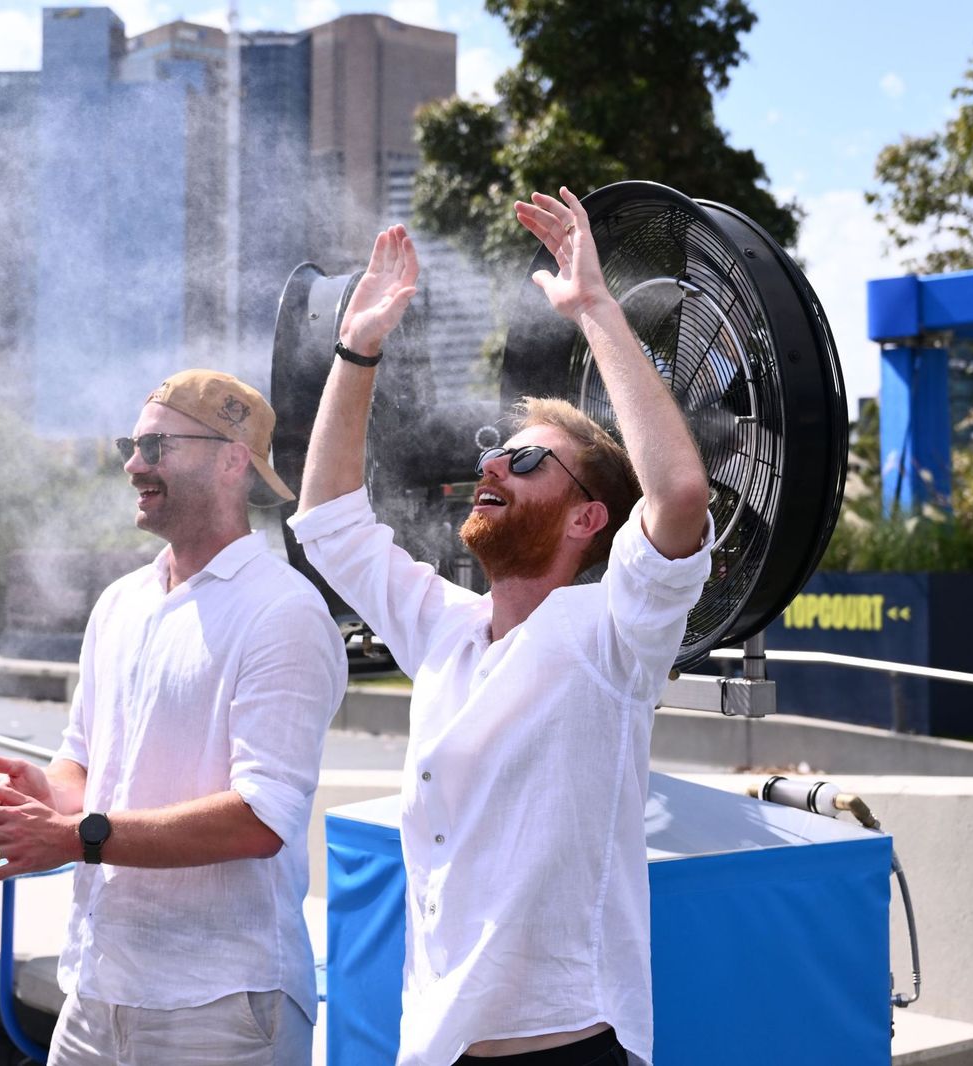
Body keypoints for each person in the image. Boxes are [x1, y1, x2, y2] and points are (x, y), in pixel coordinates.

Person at [287, 188, 712, 1065]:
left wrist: (594, 307)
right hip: (438, 1046)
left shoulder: (611, 635)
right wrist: (358, 347)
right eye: (494, 449)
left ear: (590, 518)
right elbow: (328, 519)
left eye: (526, 461)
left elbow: (676, 496)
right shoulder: (445, 629)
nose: (492, 463)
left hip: (568, 1047)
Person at [0, 370, 347, 1066]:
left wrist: (75, 835)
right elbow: (83, 763)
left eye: (156, 446)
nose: (133, 464)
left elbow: (261, 819)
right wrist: (48, 798)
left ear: (231, 460)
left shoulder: (283, 612)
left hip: (222, 1010)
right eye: (133, 444)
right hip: (96, 996)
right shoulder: (121, 601)